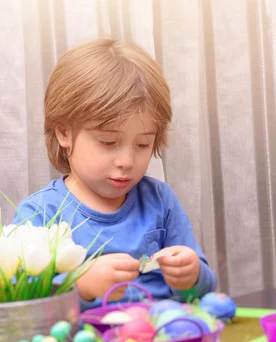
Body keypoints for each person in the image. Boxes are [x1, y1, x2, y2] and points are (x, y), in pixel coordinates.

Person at [14, 39, 217, 310]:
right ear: (64, 132)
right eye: (108, 142)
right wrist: (80, 285)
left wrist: (191, 275)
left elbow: (204, 288)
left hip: (163, 335)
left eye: (143, 144)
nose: (126, 161)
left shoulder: (159, 200)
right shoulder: (41, 214)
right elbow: (19, 305)